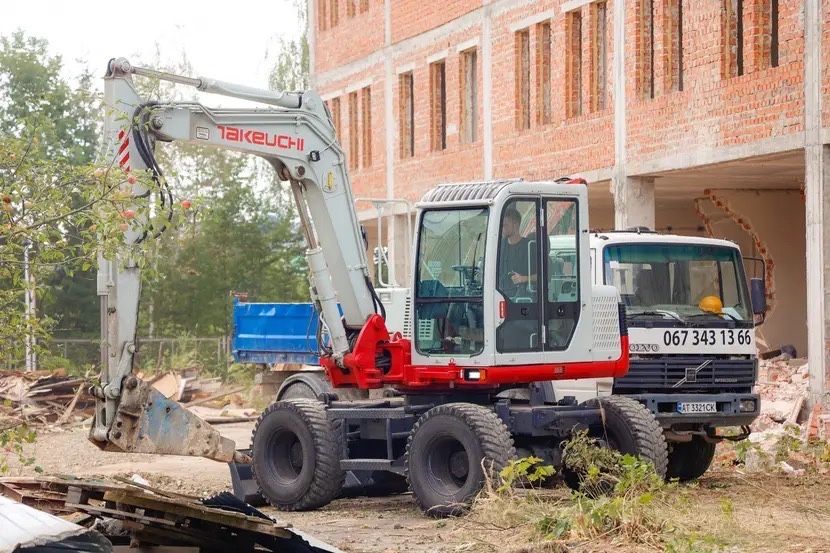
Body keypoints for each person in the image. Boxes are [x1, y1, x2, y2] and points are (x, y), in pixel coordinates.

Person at [499, 207, 536, 298]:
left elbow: (543, 276)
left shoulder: (529, 247)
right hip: (500, 294)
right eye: (502, 225)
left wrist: (524, 278)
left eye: (506, 225)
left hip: (521, 299)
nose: (502, 228)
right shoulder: (499, 246)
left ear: (515, 224)